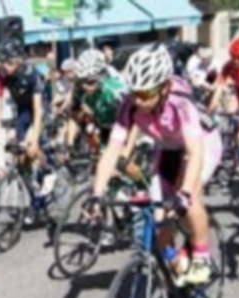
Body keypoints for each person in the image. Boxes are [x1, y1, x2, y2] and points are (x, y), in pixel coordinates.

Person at [90, 44, 221, 285]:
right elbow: (111, 152)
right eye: (135, 92)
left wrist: (184, 194)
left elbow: (195, 153)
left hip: (202, 143)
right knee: (159, 218)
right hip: (168, 146)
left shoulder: (180, 102)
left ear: (164, 88)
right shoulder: (130, 104)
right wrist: (96, 195)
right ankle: (176, 278)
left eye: (146, 94)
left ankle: (202, 256)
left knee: (188, 199)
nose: (139, 101)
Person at [0, 38, 57, 197]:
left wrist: (35, 135)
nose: (4, 67)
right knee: (20, 159)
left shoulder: (32, 75)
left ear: (18, 61)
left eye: (8, 63)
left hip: (39, 107)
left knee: (30, 146)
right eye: (2, 63)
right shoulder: (1, 77)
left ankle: (49, 171)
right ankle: (32, 192)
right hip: (23, 110)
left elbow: (38, 110)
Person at [66, 49, 127, 150]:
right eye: (82, 81)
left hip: (123, 128)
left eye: (91, 82)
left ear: (102, 77)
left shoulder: (115, 90)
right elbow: (74, 114)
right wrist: (70, 145)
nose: (86, 87)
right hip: (102, 127)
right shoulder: (80, 88)